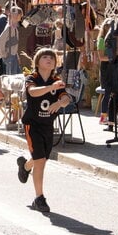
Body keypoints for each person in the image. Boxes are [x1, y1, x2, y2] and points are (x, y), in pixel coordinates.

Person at [16, 48, 72, 213]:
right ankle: (39, 198)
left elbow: (66, 97)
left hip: (48, 124)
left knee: (41, 158)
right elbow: (32, 93)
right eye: (45, 57)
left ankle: (25, 166)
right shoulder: (32, 78)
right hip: (32, 124)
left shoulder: (56, 79)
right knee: (40, 160)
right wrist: (50, 88)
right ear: (38, 62)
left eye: (52, 58)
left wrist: (60, 102)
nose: (49, 60)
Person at [0, 6, 23, 75]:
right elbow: (1, 40)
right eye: (19, 15)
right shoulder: (9, 27)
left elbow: (14, 44)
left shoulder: (14, 27)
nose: (20, 17)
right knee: (11, 76)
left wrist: (17, 56)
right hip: (9, 55)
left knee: (16, 74)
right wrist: (3, 54)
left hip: (13, 55)